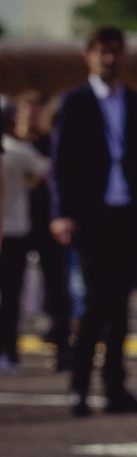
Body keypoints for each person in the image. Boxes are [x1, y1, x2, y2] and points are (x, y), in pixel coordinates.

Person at [49, 26, 137, 415]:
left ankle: (115, 388)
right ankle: (79, 386)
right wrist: (61, 213)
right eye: (102, 52)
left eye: (115, 51)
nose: (110, 58)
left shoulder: (135, 102)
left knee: (120, 305)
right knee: (96, 303)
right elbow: (60, 163)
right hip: (89, 217)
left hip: (127, 213)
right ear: (89, 56)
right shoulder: (75, 102)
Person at [10, 91, 71, 370]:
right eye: (27, 112)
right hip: (17, 227)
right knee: (10, 290)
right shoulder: (9, 145)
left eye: (36, 112)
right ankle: (8, 351)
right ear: (17, 115)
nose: (32, 118)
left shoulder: (51, 143)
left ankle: (61, 349)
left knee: (57, 290)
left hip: (47, 226)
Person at [0, 96, 52, 373]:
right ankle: (8, 352)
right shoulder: (19, 152)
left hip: (12, 231)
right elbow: (44, 171)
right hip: (14, 232)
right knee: (10, 297)